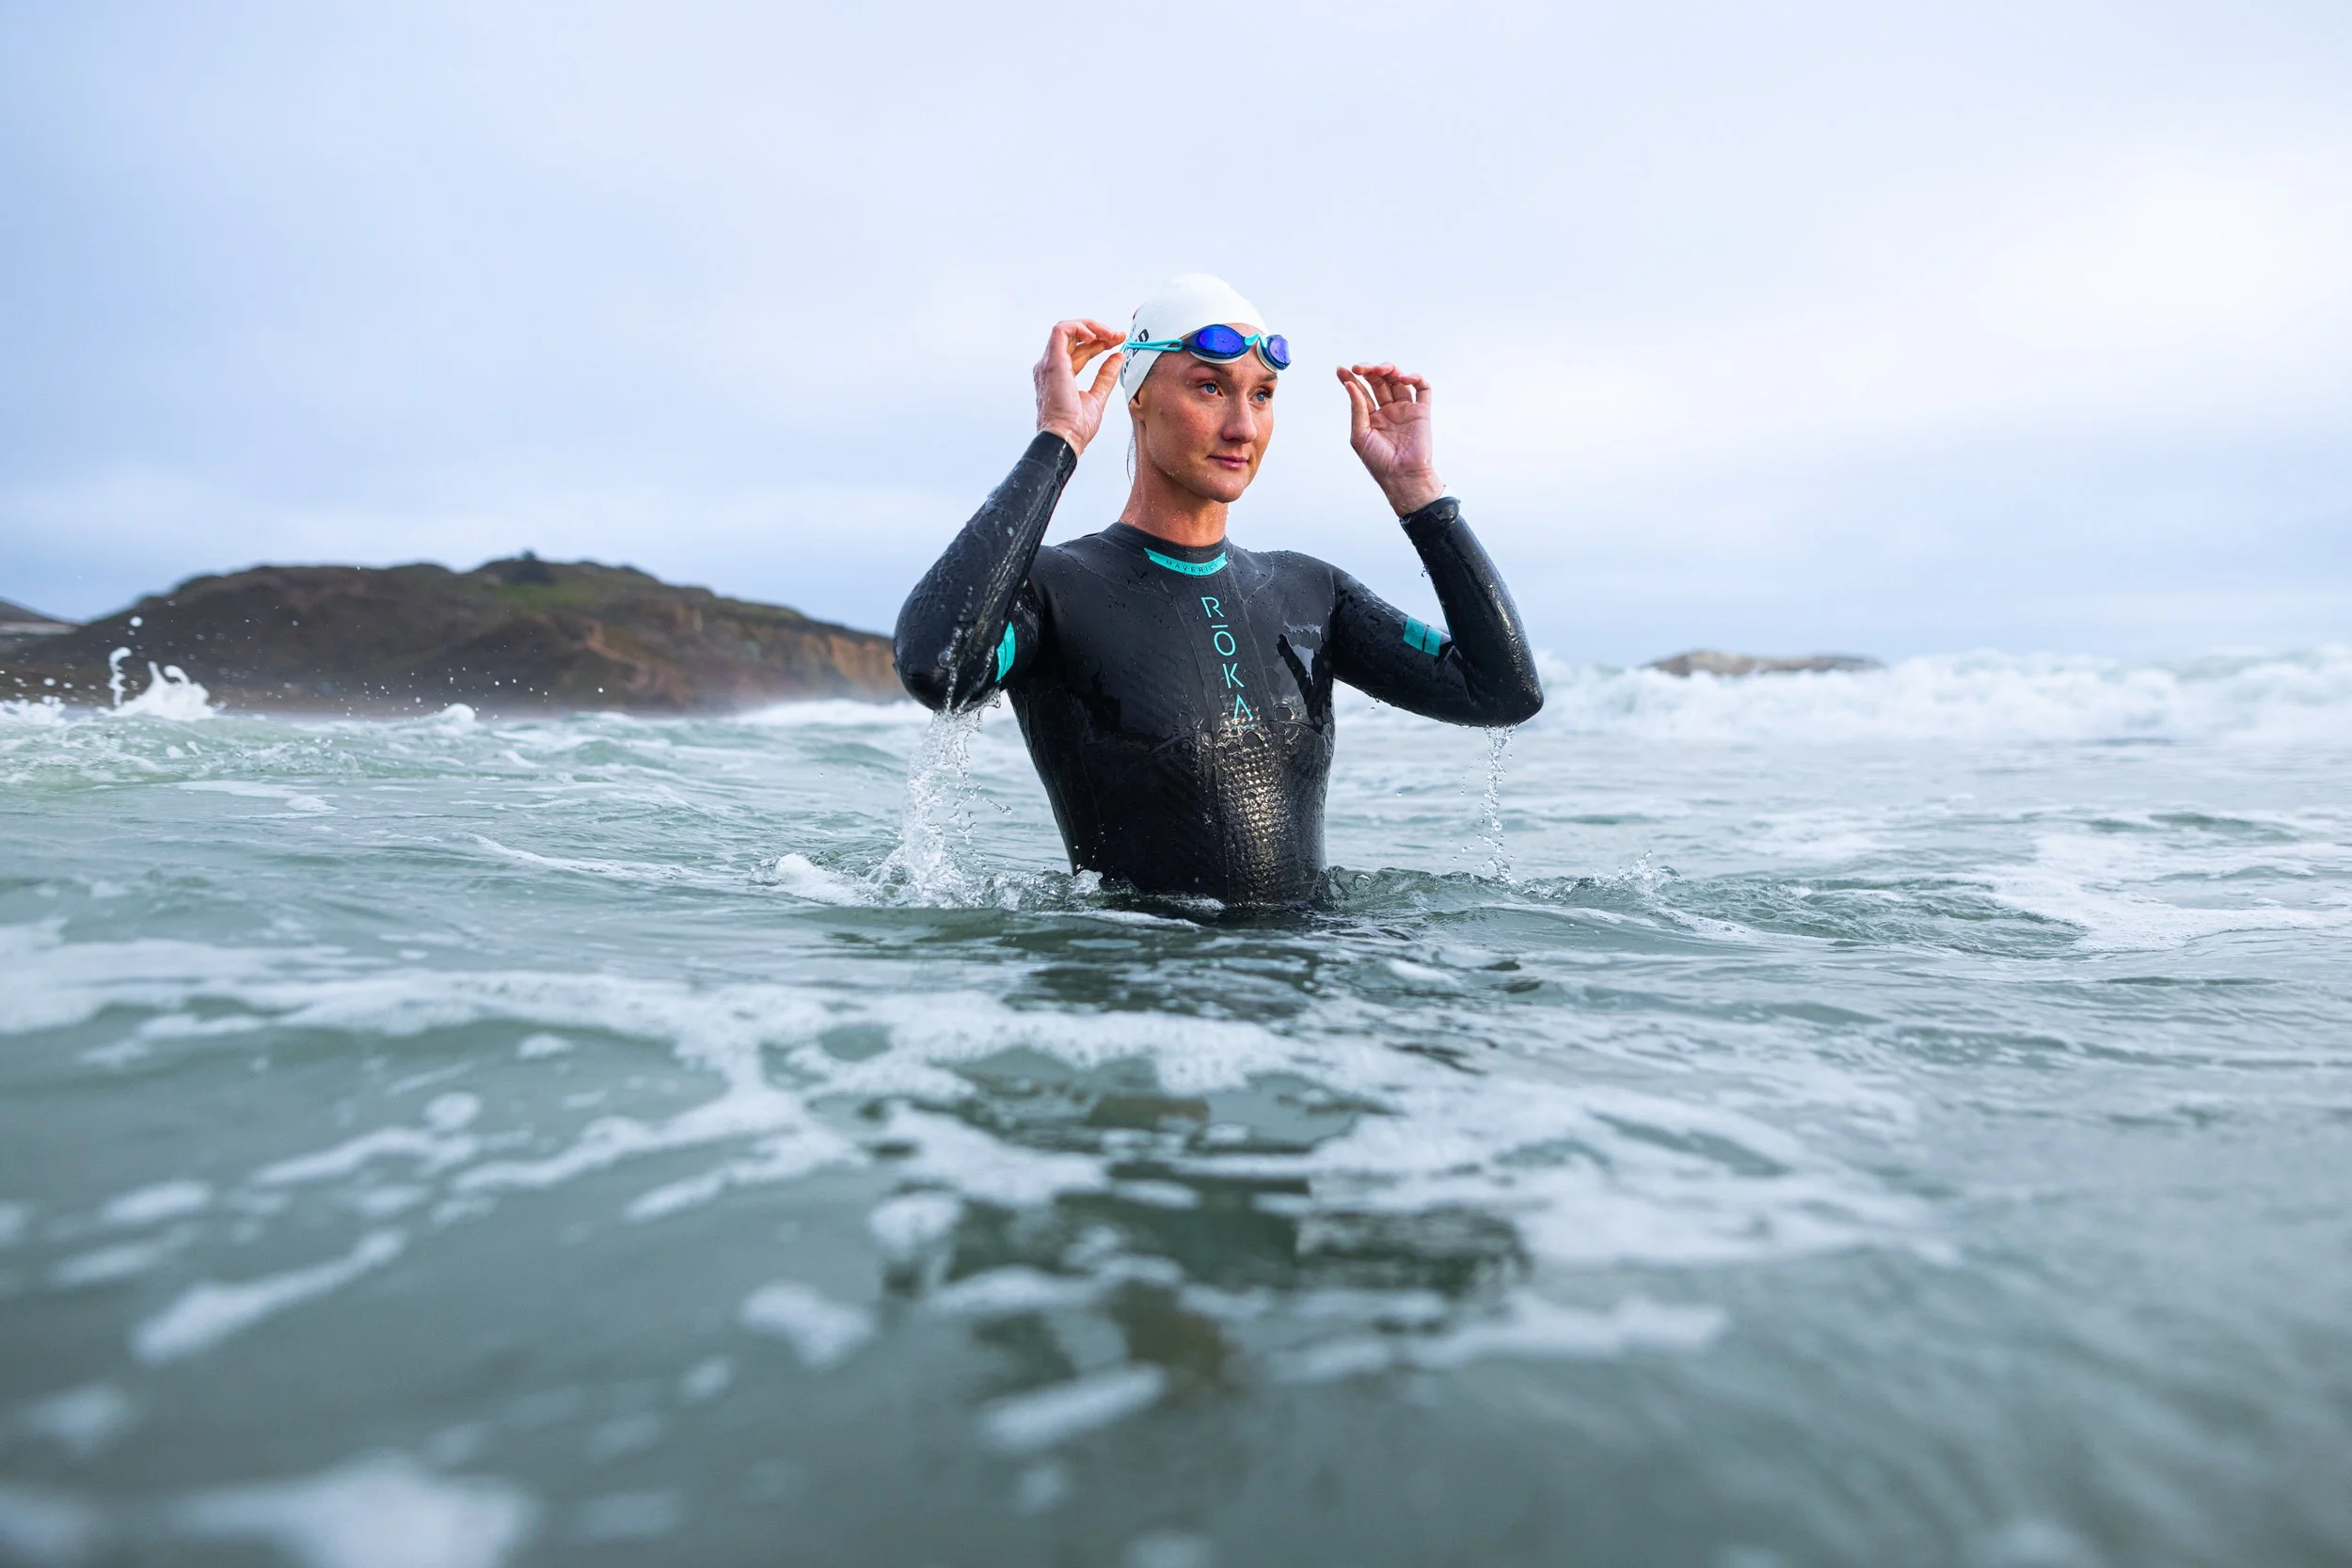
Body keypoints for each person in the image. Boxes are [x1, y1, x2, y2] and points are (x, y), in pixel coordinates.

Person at [895, 274, 1543, 906]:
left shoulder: (1310, 590)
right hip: (1145, 993)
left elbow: (1502, 691)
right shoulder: (1057, 590)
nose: (1242, 427)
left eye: (1262, 395)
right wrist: (1057, 439)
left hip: (1306, 997)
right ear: (1138, 397)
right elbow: (937, 665)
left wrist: (1418, 493)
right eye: (1210, 387)